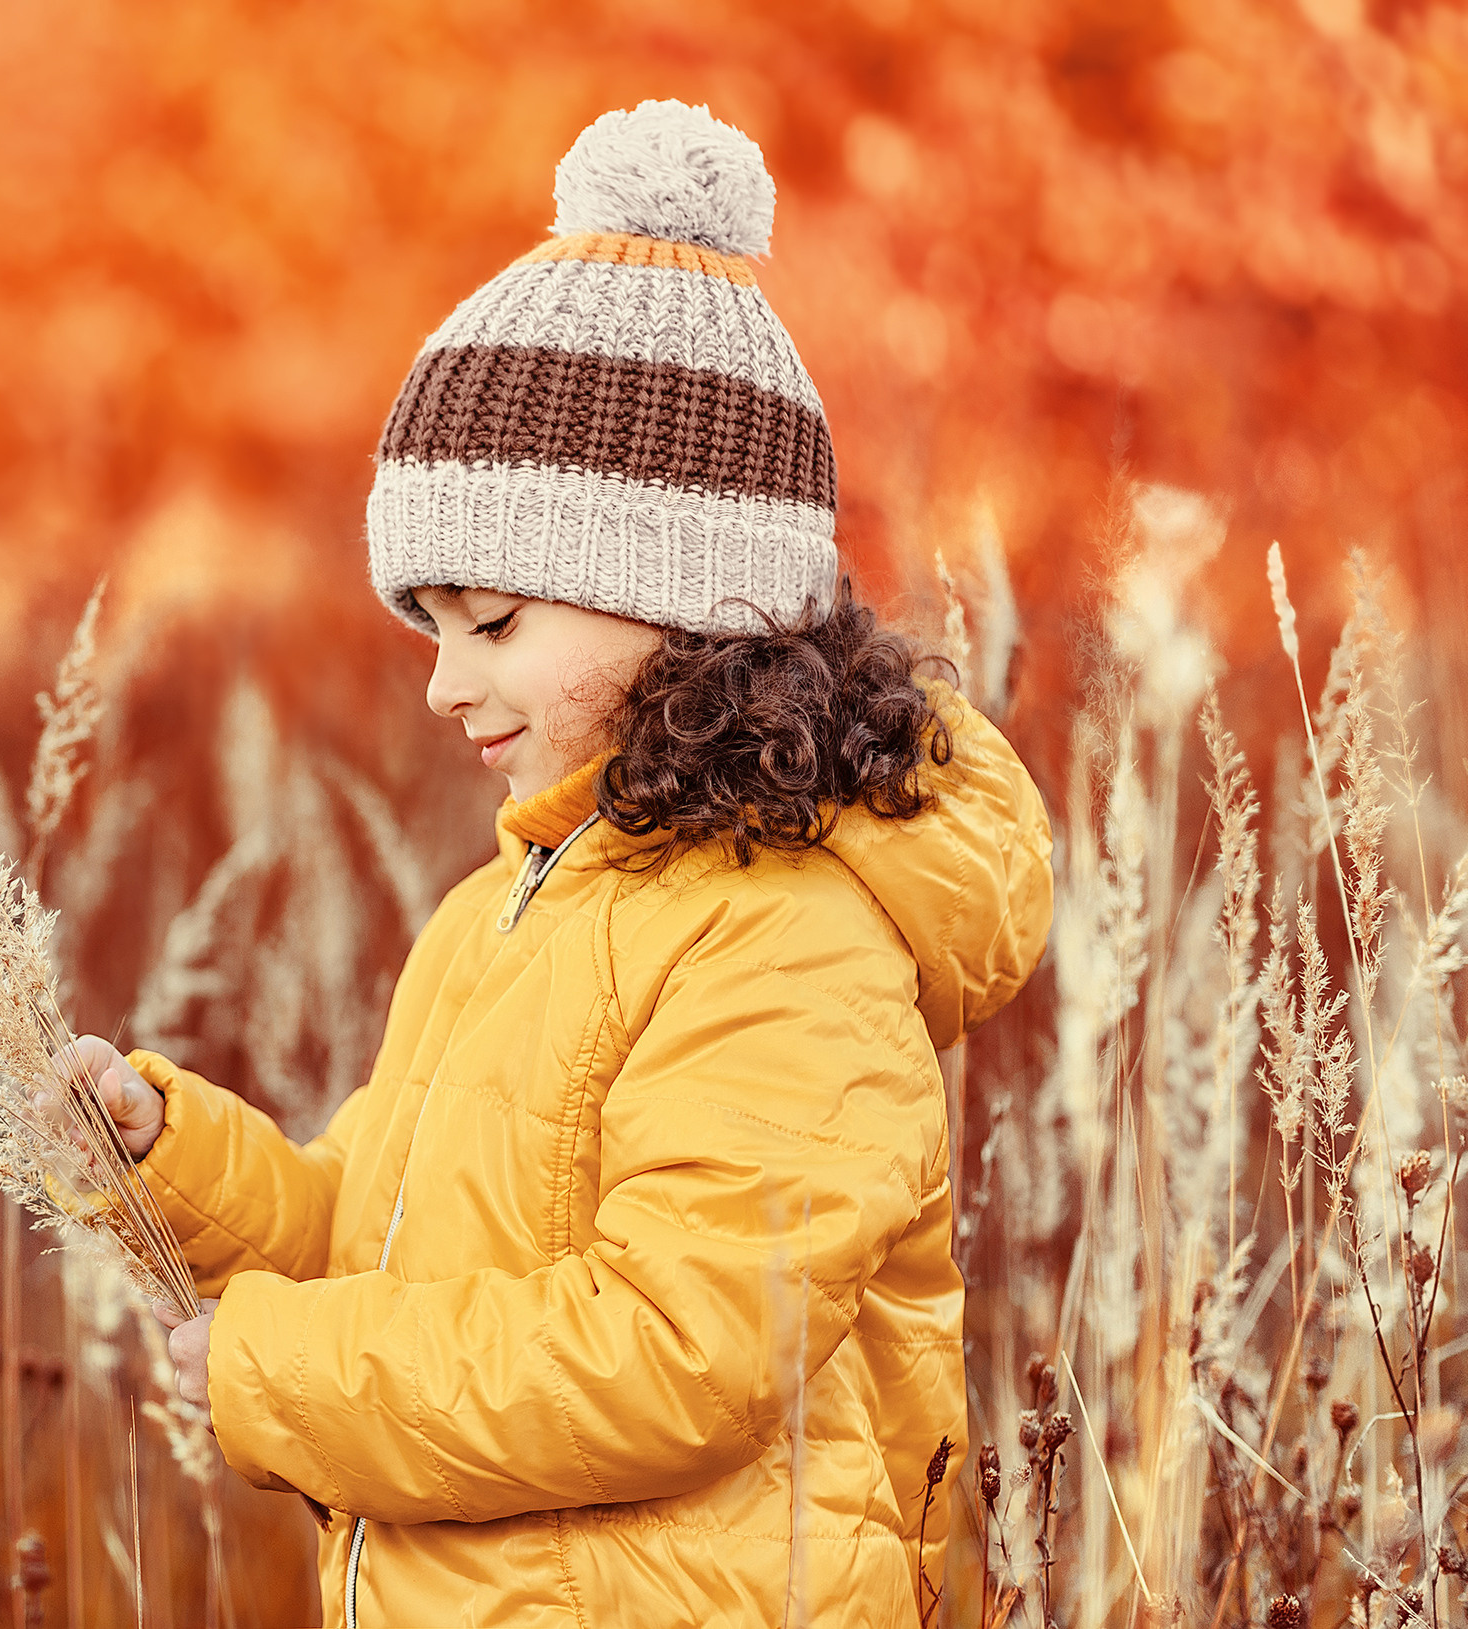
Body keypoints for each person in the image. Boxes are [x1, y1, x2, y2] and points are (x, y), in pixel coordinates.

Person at [64, 100, 1053, 1627]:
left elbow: (677, 1352)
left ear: (682, 597)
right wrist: (168, 1164)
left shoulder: (786, 934)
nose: (446, 684)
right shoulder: (509, 908)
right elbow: (373, 1235)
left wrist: (281, 1372)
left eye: (495, 622)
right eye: (432, 627)